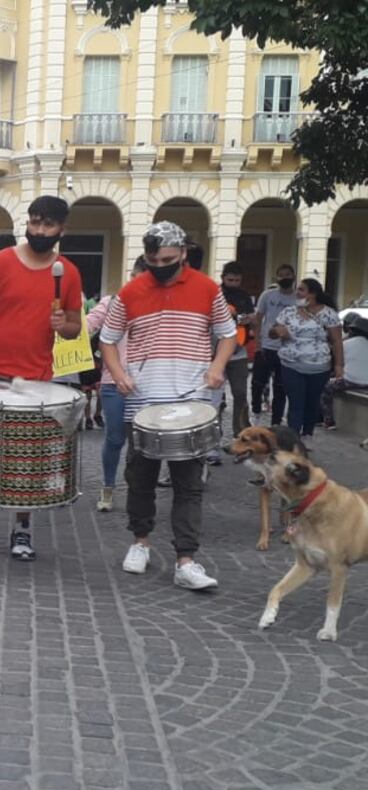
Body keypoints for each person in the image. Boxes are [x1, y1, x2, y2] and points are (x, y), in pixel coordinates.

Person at [100, 221, 236, 591]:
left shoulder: (208, 289)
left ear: (183, 256)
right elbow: (107, 340)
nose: (160, 265)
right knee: (140, 479)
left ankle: (186, 560)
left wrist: (217, 367)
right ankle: (140, 543)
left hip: (191, 401)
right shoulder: (129, 292)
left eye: (168, 260)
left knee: (188, 483)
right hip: (142, 402)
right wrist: (118, 373)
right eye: (153, 259)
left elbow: (228, 334)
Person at [0, 195, 85, 561]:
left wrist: (66, 325)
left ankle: (21, 529)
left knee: (26, 459)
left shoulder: (69, 272)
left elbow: (74, 326)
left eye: (47, 225)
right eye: (34, 222)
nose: (39, 230)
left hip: (37, 377)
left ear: (62, 229)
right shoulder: (0, 264)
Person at [89, 257, 145, 511]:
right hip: (113, 382)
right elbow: (88, 325)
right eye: (134, 277)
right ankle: (108, 486)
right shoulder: (111, 302)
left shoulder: (157, 307)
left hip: (146, 384)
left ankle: (138, 489)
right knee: (114, 438)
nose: (137, 283)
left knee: (142, 441)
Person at [270, 278, 344, 438]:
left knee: (311, 403)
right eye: (297, 289)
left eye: (302, 290)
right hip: (291, 365)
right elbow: (272, 331)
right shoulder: (288, 312)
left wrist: (339, 366)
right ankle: (294, 438)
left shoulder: (329, 314)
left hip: (319, 366)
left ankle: (307, 434)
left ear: (313, 293)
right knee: (296, 403)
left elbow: (337, 341)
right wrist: (277, 331)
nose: (297, 293)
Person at [252, 263, 299, 425]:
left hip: (288, 350)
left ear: (293, 276)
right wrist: (257, 343)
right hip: (266, 347)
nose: (285, 278)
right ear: (276, 278)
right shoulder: (268, 295)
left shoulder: (299, 299)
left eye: (288, 274)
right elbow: (258, 319)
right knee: (257, 383)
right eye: (281, 275)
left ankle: (276, 423)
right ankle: (255, 414)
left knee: (281, 388)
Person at [219, 261, 256, 438]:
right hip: (216, 352)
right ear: (223, 278)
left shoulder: (244, 296)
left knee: (240, 393)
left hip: (239, 350)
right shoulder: (215, 294)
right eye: (230, 280)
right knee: (215, 397)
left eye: (237, 280)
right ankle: (213, 433)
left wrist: (248, 319)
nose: (233, 283)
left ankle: (241, 431)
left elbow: (251, 316)